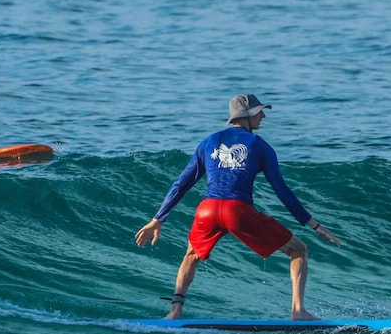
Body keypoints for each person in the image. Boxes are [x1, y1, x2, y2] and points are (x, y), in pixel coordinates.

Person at [134, 93, 340, 320]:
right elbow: (282, 191)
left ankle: (174, 311)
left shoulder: (208, 142)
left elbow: (182, 183)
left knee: (190, 255)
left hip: (207, 210)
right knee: (298, 250)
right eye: (258, 112)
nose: (263, 116)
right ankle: (298, 311)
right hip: (238, 211)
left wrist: (158, 219)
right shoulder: (261, 147)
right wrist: (314, 224)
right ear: (246, 115)